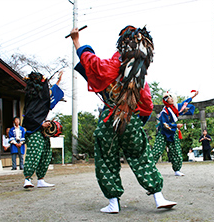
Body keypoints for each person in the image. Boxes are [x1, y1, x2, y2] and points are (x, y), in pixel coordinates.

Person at [70, 26, 177, 213]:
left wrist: (77, 41)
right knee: (142, 157)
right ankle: (158, 197)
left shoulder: (114, 63)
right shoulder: (140, 74)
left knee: (106, 159)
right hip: (131, 119)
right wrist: (136, 122)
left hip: (109, 118)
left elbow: (93, 63)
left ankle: (113, 203)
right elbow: (148, 105)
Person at [22, 70, 64, 188]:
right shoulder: (31, 98)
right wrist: (41, 124)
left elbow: (51, 94)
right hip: (33, 130)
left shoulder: (42, 97)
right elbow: (29, 117)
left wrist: (59, 81)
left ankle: (41, 179)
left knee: (46, 153)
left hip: (41, 130)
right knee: (34, 153)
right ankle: (27, 179)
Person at [153, 91, 198, 176]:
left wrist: (193, 96)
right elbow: (164, 124)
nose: (171, 99)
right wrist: (176, 126)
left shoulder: (175, 108)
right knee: (157, 151)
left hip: (173, 133)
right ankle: (150, 169)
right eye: (169, 98)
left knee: (176, 150)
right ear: (166, 101)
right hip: (163, 133)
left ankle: (177, 169)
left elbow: (185, 103)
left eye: (171, 97)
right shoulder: (164, 112)